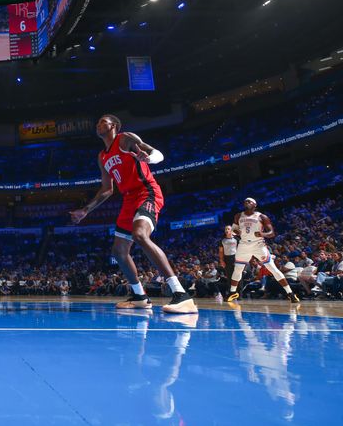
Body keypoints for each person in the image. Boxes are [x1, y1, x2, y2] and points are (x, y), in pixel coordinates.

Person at [69, 115, 197, 314]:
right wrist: (85, 210)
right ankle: (140, 297)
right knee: (118, 252)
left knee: (139, 235)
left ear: (114, 125)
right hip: (128, 199)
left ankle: (181, 295)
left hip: (147, 192)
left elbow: (157, 154)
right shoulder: (102, 156)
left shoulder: (125, 139)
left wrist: (149, 158)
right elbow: (106, 189)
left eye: (103, 121)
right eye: (97, 122)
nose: (98, 124)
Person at [226, 198, 300, 304]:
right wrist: (236, 231)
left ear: (255, 205)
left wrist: (262, 234)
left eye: (249, 201)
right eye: (245, 201)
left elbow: (272, 233)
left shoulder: (262, 217)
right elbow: (233, 230)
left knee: (273, 269)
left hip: (258, 245)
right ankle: (232, 292)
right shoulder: (238, 216)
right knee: (237, 270)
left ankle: (290, 293)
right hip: (244, 245)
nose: (246, 202)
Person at [218, 225, 238, 295]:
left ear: (231, 230)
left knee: (238, 276)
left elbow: (240, 250)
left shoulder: (237, 239)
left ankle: (240, 294)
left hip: (236, 258)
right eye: (226, 229)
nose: (227, 230)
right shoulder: (222, 240)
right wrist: (222, 260)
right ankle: (232, 293)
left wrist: (238, 259)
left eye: (228, 229)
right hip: (227, 259)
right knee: (229, 277)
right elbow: (220, 252)